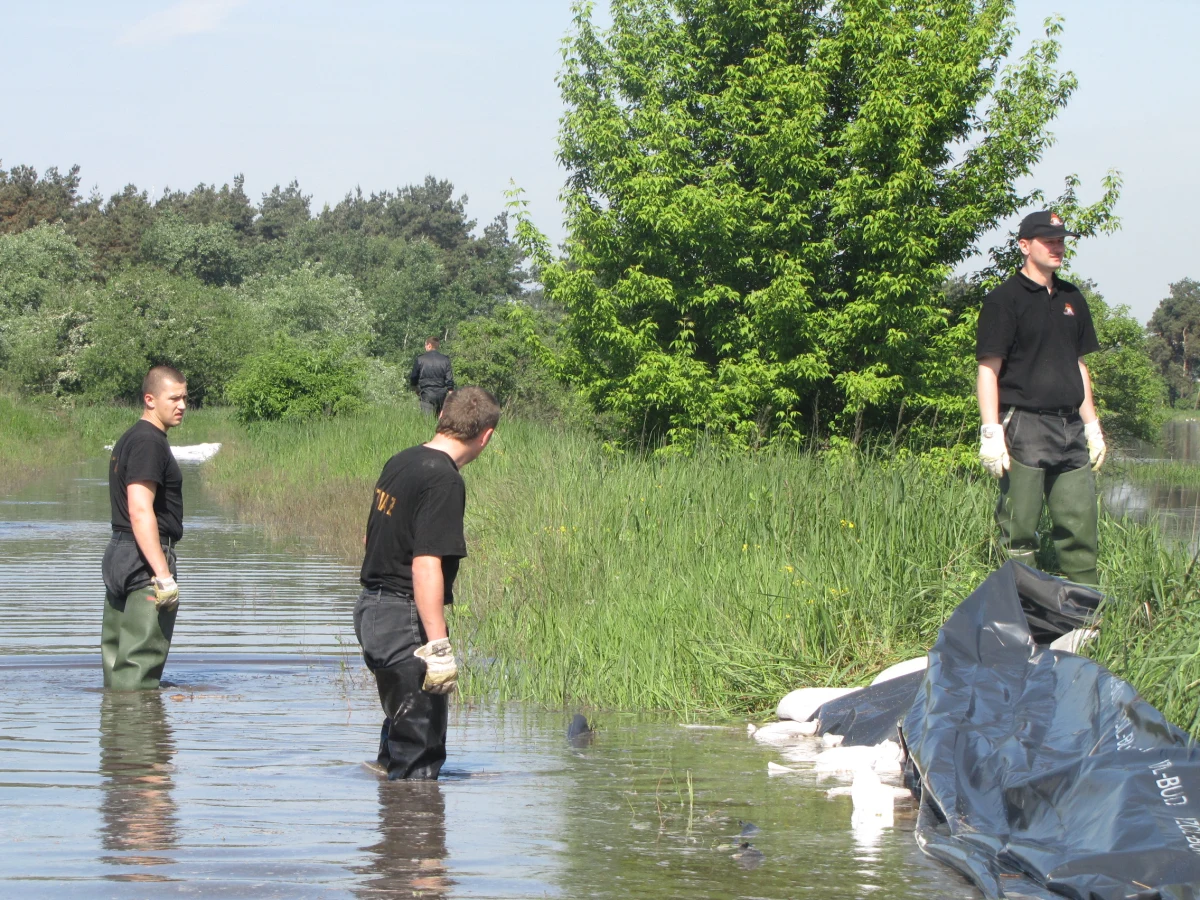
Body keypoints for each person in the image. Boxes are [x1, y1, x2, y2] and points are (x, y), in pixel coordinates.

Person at [354, 385, 501, 780]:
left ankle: (394, 834)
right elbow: (425, 564)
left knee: (397, 747)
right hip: (403, 620)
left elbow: (371, 538)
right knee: (419, 756)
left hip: (372, 610)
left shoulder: (402, 460)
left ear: (441, 417)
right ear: (486, 436)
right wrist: (438, 646)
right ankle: (415, 837)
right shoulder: (444, 480)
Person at [976, 211, 1107, 584]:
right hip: (1025, 425)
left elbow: (1078, 365)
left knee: (1080, 529)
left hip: (1069, 427)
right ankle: (1021, 621)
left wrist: (1092, 427)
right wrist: (991, 432)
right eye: (1048, 241)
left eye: (1061, 241)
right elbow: (988, 370)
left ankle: (1085, 621)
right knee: (1020, 530)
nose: (1057, 247)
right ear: (1024, 245)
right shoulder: (1005, 300)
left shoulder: (1072, 298)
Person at [101, 365, 187, 690]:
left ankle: (116, 738)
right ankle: (139, 737)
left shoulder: (129, 438)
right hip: (144, 561)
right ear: (150, 399)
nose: (181, 406)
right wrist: (163, 576)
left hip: (119, 554)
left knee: (116, 665)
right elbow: (140, 510)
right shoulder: (150, 442)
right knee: (138, 671)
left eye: (184, 398)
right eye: (174, 398)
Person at [409, 337, 456, 415]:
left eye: (425, 345)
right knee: (440, 423)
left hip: (426, 394)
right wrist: (451, 393)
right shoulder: (445, 359)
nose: (425, 347)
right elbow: (449, 380)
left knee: (426, 423)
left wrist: (416, 389)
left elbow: (414, 377)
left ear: (429, 345)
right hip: (441, 395)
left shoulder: (420, 359)